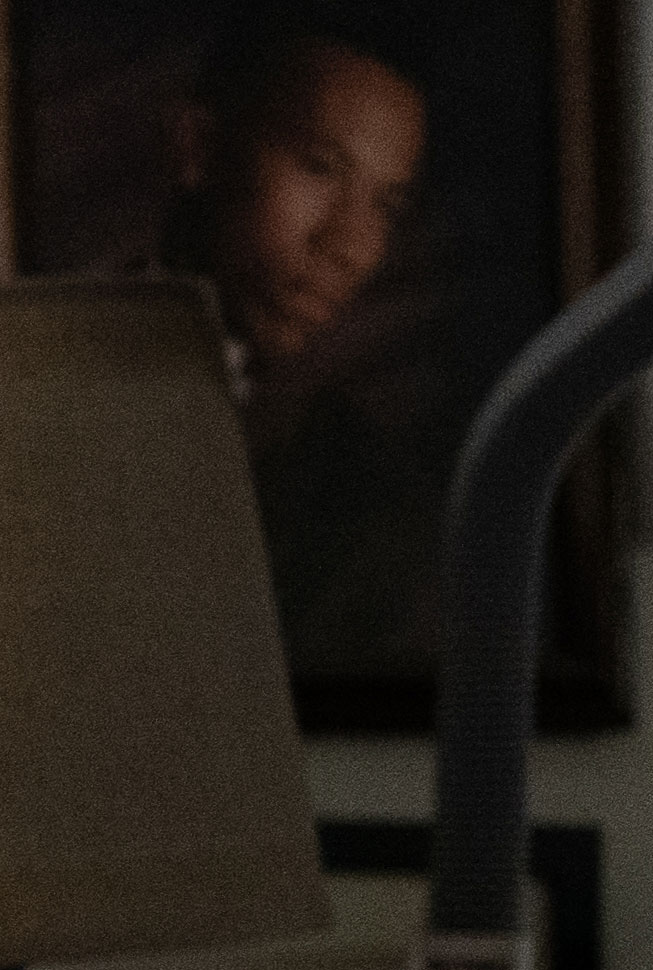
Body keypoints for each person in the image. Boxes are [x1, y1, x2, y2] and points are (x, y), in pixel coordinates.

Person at [143, 12, 442, 670]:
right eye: (318, 167)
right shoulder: (35, 391)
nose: (350, 247)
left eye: (385, 206)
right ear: (197, 146)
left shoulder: (368, 503)